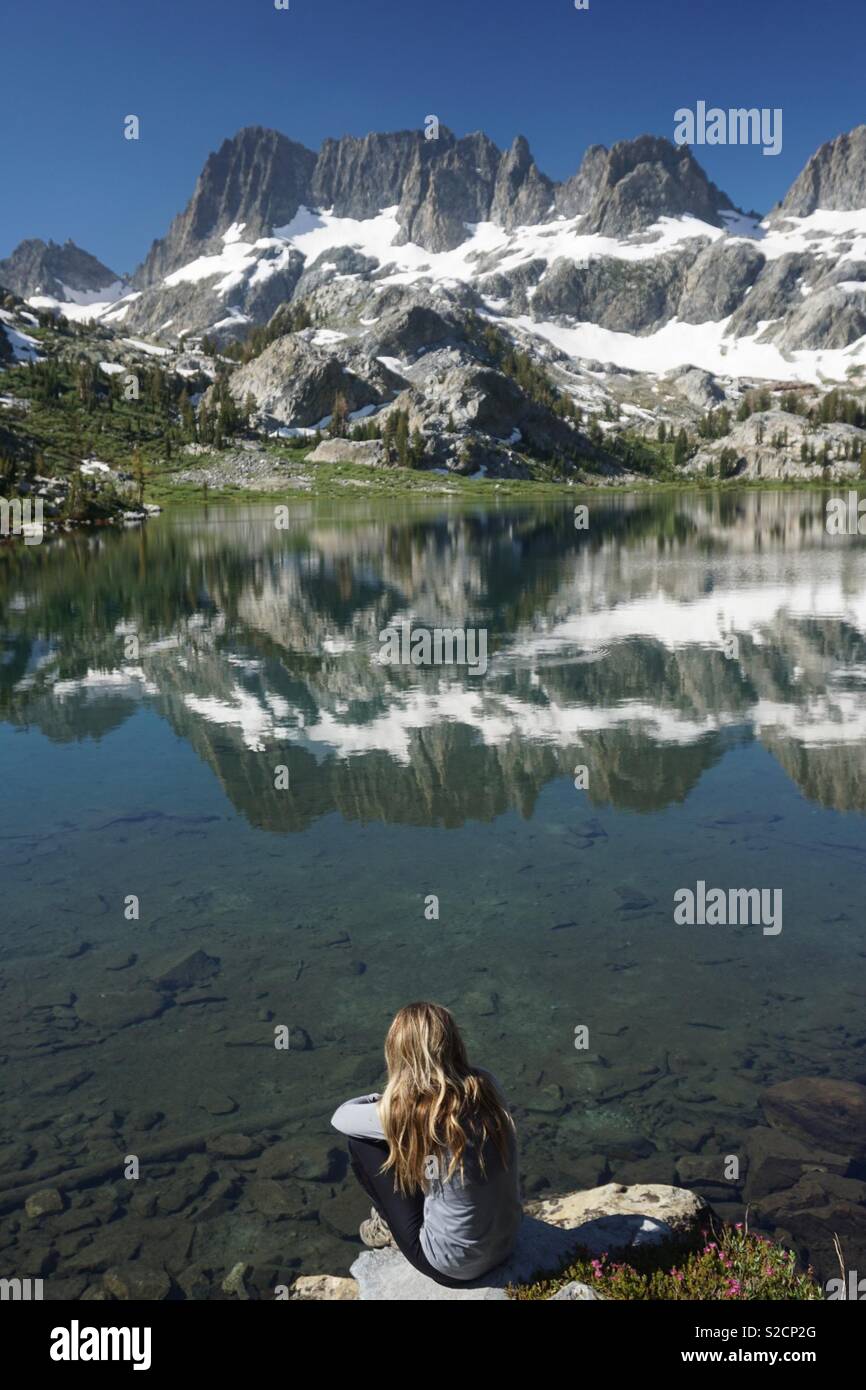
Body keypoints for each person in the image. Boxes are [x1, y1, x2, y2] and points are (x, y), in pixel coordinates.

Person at [331, 1001, 522, 1287]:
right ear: (454, 1042)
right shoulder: (486, 1085)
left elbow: (341, 1117)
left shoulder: (407, 1111)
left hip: (453, 1266)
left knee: (362, 1143)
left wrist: (384, 1100)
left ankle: (386, 1226)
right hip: (508, 1243)